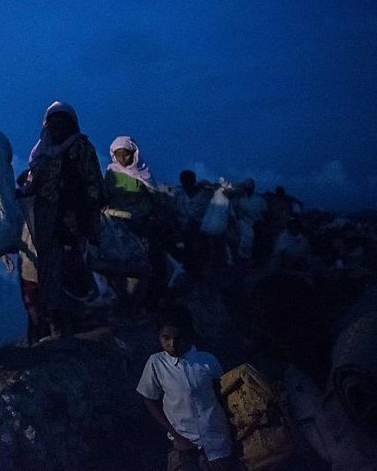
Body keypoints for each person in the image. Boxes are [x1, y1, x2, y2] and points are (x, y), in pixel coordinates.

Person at [16, 101, 105, 340]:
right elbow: (35, 186)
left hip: (71, 221)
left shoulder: (80, 147)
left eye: (62, 122)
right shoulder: (43, 152)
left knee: (70, 267)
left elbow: (94, 183)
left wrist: (83, 212)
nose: (57, 127)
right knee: (48, 271)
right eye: (53, 122)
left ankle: (70, 327)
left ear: (71, 124)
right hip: (46, 222)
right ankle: (52, 326)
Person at [137, 304, 234, 471]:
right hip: (183, 444)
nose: (172, 344)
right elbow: (149, 399)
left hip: (217, 441)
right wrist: (175, 435)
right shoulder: (156, 363)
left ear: (189, 334)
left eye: (178, 338)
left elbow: (223, 395)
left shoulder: (207, 361)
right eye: (166, 338)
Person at [104, 135, 161, 317]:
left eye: (126, 155)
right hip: (118, 224)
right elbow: (105, 195)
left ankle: (146, 304)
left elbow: (154, 196)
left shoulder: (143, 173)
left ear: (133, 154)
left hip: (140, 222)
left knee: (145, 262)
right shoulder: (111, 173)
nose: (123, 159)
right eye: (119, 155)